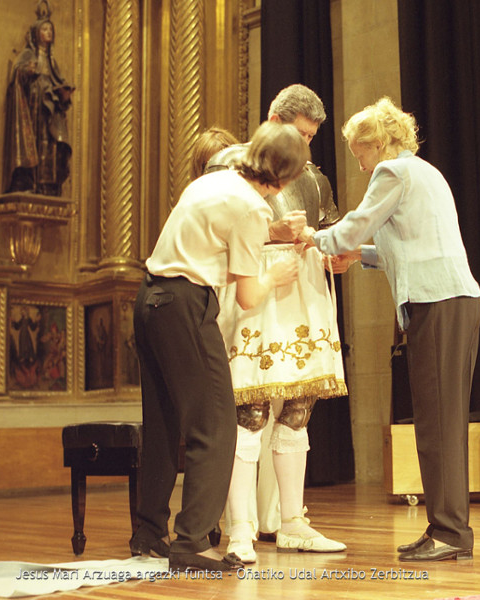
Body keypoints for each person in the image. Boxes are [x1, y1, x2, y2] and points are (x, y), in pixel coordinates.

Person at [303, 97, 480, 562]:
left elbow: (355, 225)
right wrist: (359, 256)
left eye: (360, 152)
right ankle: (445, 527)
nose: (360, 164)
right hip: (452, 300)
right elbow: (408, 245)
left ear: (378, 143)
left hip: (437, 302)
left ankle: (451, 532)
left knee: (438, 422)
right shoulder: (424, 172)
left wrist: (308, 238)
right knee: (441, 421)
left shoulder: (392, 172)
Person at [130, 120, 309, 572]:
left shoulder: (213, 181)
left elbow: (212, 250)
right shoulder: (251, 207)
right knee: (216, 424)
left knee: (163, 423)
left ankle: (149, 533)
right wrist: (275, 275)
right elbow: (248, 295)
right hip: (184, 305)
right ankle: (191, 541)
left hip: (149, 299)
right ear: (284, 178)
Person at [208, 84, 346, 561]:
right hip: (256, 290)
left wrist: (337, 253)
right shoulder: (229, 164)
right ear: (273, 120)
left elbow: (330, 228)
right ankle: (240, 529)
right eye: (299, 134)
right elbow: (216, 231)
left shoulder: (314, 178)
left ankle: (292, 522)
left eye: (310, 137)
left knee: (298, 410)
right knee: (250, 412)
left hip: (304, 292)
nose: (305, 145)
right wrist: (272, 231)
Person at [3, 3, 74, 196]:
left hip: (49, 114)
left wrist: (63, 96)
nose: (48, 32)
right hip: (33, 110)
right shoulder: (28, 55)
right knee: (34, 144)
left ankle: (47, 185)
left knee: (50, 146)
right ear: (36, 33)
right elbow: (17, 76)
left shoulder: (52, 62)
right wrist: (26, 72)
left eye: (50, 29)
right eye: (44, 29)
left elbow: (56, 81)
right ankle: (30, 181)